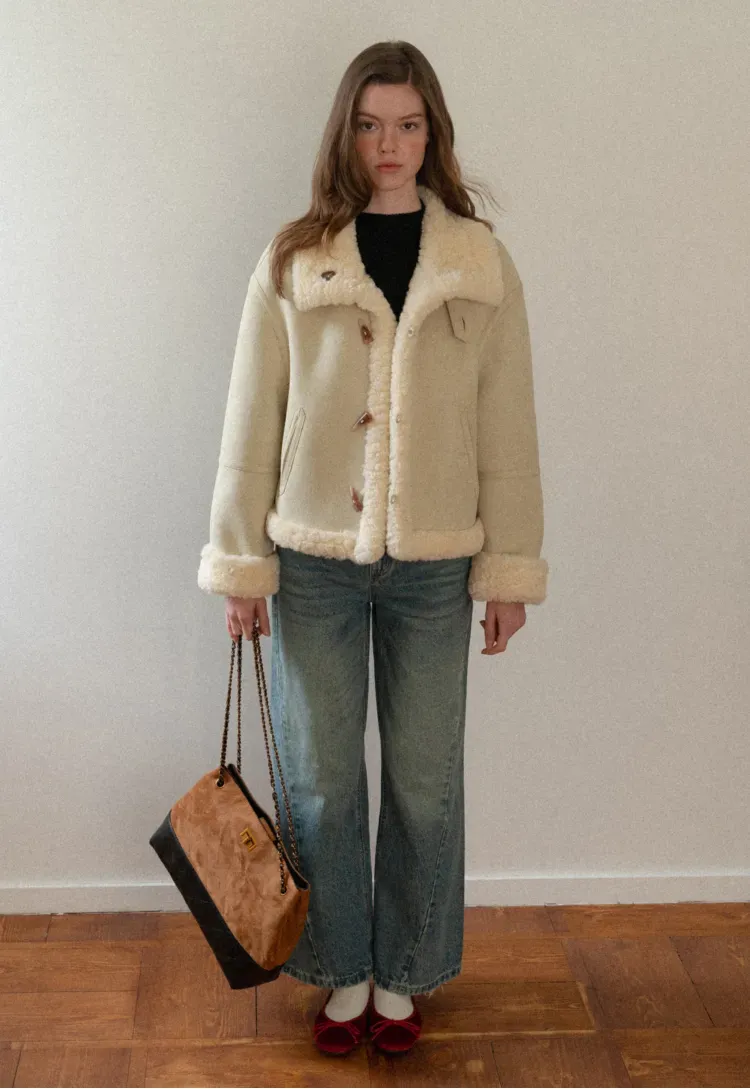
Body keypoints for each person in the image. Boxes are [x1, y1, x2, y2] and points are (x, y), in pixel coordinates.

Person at [197, 40, 548, 1056]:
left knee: (426, 783)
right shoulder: (294, 258)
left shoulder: (478, 263)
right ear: (344, 134)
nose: (388, 145)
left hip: (435, 567)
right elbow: (251, 419)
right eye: (368, 125)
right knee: (321, 783)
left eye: (407, 125)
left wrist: (509, 570)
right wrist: (242, 566)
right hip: (311, 562)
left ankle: (407, 975)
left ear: (432, 134)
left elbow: (507, 427)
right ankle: (341, 970)